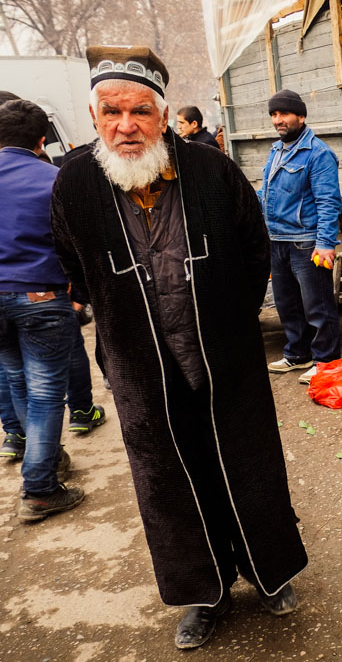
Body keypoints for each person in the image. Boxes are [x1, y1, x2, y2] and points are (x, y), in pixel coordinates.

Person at [50, 45, 307, 650]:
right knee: (167, 481)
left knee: (247, 463)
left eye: (140, 111)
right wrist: (119, 326)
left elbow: (254, 249)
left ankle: (268, 575)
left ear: (163, 117)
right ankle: (201, 593)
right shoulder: (75, 181)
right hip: (139, 366)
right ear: (93, 117)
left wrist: (230, 321)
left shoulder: (212, 170)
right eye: (111, 112)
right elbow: (74, 265)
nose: (126, 125)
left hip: (223, 354)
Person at [0, 99, 84, 518]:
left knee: (17, 380)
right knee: (48, 392)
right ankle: (40, 487)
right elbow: (76, 244)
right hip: (41, 297)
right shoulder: (54, 178)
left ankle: (45, 459)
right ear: (40, 139)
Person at [259, 89, 342, 384]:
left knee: (317, 305)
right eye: (274, 114)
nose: (278, 120)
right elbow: (266, 193)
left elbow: (328, 202)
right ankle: (297, 354)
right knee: (287, 304)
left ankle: (326, 361)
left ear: (301, 116)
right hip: (278, 240)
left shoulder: (318, 153)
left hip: (306, 243)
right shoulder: (277, 150)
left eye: (284, 114)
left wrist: (325, 243)